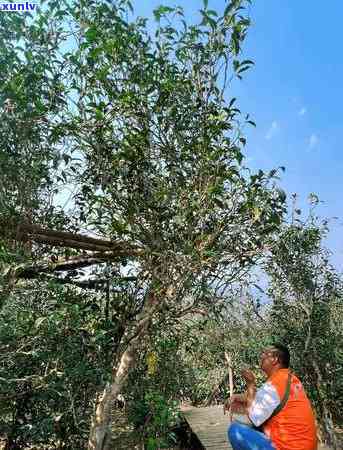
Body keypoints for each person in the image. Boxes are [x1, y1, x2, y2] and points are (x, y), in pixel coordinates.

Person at [224, 344, 318, 450]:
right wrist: (241, 398)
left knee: (236, 430)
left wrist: (250, 384)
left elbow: (252, 419)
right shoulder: (289, 379)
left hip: (290, 447)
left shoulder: (274, 385)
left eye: (264, 353)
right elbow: (264, 399)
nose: (261, 356)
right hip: (305, 446)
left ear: (274, 359)